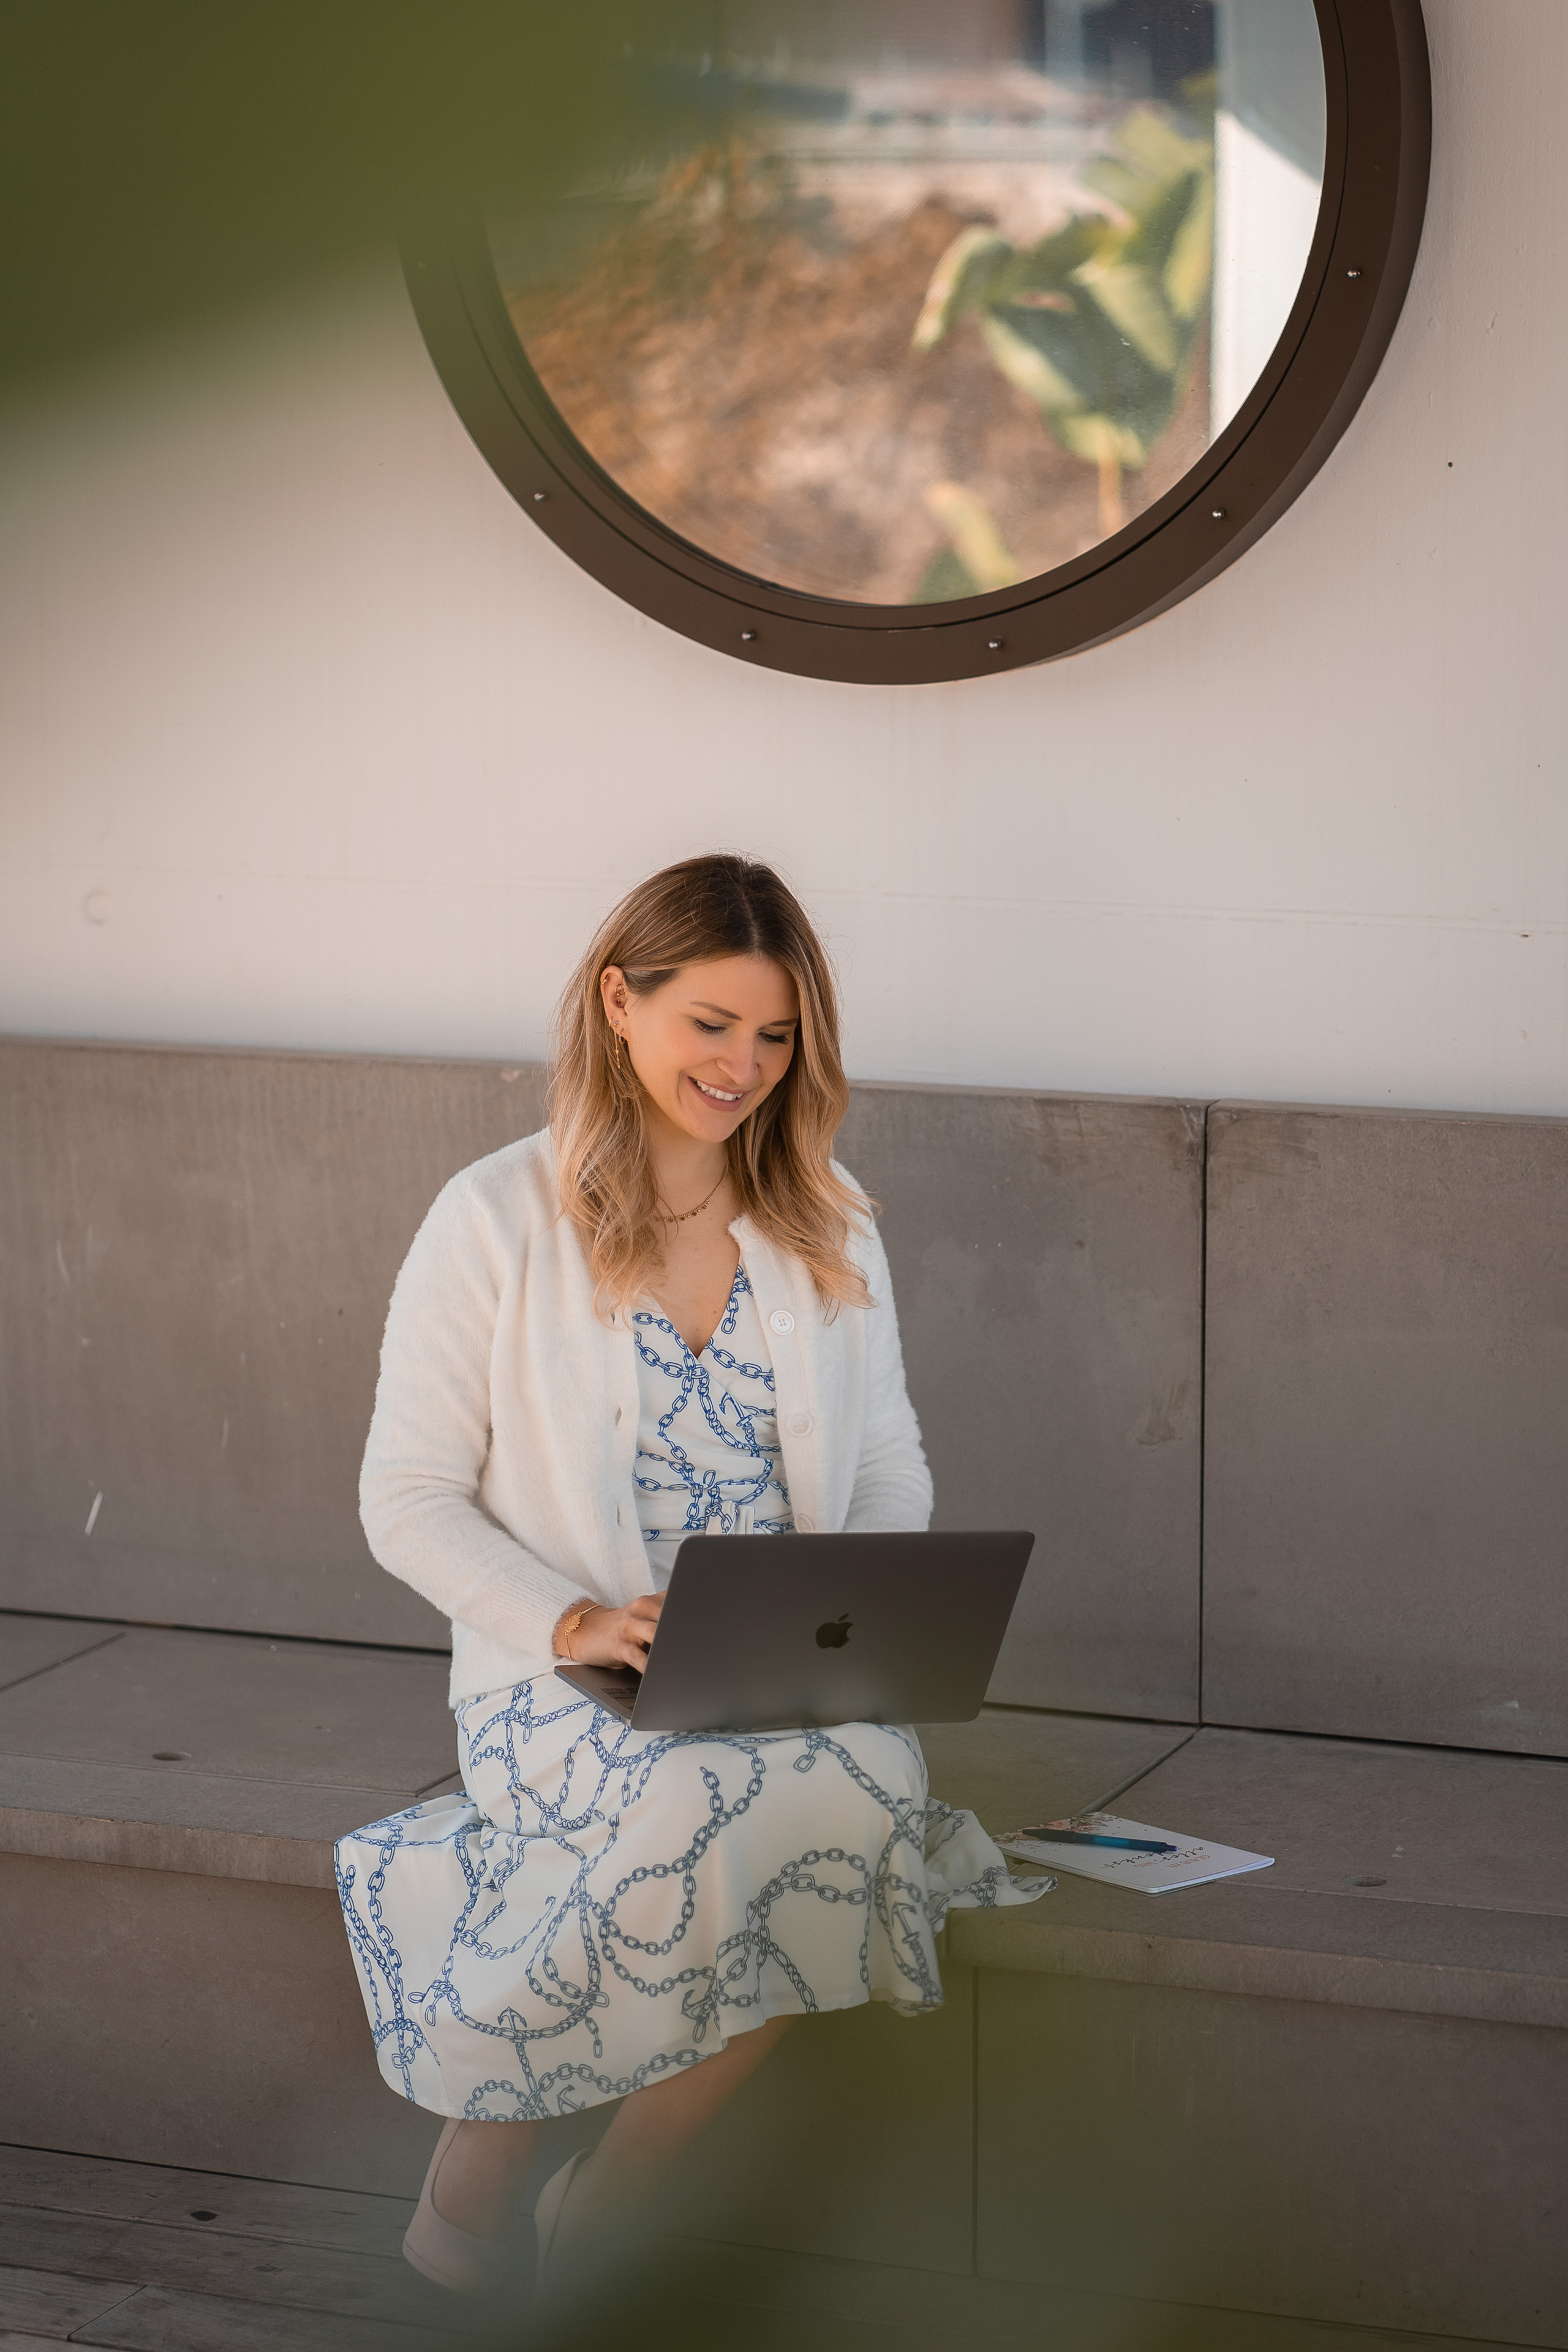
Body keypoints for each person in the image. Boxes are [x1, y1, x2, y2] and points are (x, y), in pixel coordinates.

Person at [334, 854, 1046, 2298]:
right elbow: (401, 1501)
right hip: (562, 1676)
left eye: (774, 1036)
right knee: (686, 1800)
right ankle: (486, 2162)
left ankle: (611, 2190)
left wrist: (843, 1622)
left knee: (864, 1788)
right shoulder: (492, 1219)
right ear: (619, 1000)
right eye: (710, 1024)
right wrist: (580, 1618)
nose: (742, 1066)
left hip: (775, 1662)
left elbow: (889, 1464)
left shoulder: (825, 1215)